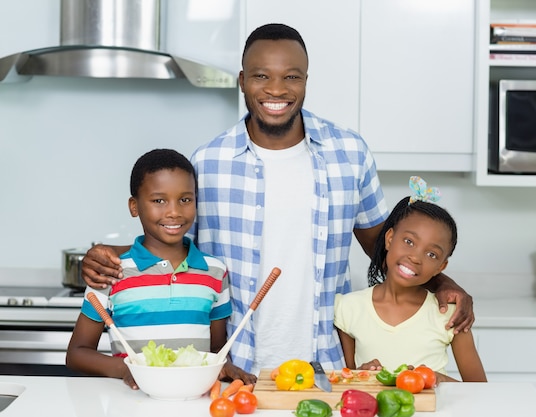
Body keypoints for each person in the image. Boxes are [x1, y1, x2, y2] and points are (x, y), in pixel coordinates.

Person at [80, 23, 475, 374]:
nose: (276, 90)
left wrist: (443, 283)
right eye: (261, 76)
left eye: (291, 77)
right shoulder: (208, 161)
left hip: (328, 365)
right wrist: (107, 255)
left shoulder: (350, 153)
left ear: (306, 80)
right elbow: (174, 244)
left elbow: (382, 245)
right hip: (234, 366)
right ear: (242, 80)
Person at [66, 149, 255, 389]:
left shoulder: (215, 271)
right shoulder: (111, 270)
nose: (174, 211)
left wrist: (223, 364)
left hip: (194, 401)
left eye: (185, 200)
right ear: (134, 207)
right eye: (159, 201)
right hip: (131, 402)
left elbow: (217, 348)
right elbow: (77, 353)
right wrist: (129, 370)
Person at [335, 177, 486, 383]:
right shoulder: (348, 308)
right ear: (389, 239)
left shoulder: (450, 317)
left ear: (440, 267)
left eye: (431, 254)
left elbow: (480, 390)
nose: (415, 257)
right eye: (409, 241)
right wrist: (362, 374)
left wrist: (435, 379)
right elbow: (346, 382)